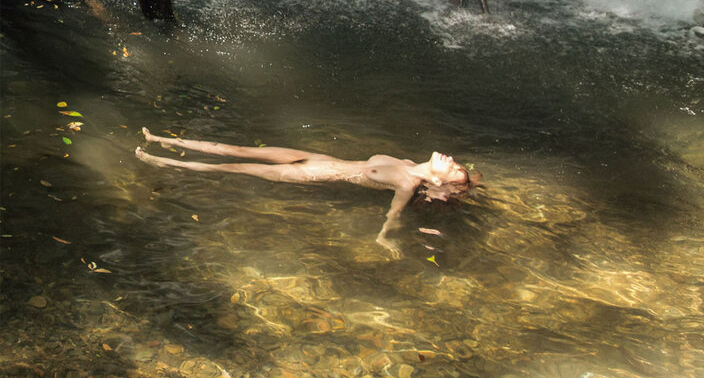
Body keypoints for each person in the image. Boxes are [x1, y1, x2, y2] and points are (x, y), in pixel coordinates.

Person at [136, 128, 478, 256]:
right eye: (455, 163)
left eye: (452, 169)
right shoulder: (407, 163)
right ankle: (162, 140)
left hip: (313, 174)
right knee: (241, 150)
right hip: (320, 158)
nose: (450, 161)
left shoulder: (407, 184)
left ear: (439, 184)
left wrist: (384, 238)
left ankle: (162, 162)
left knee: (233, 167)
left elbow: (394, 213)